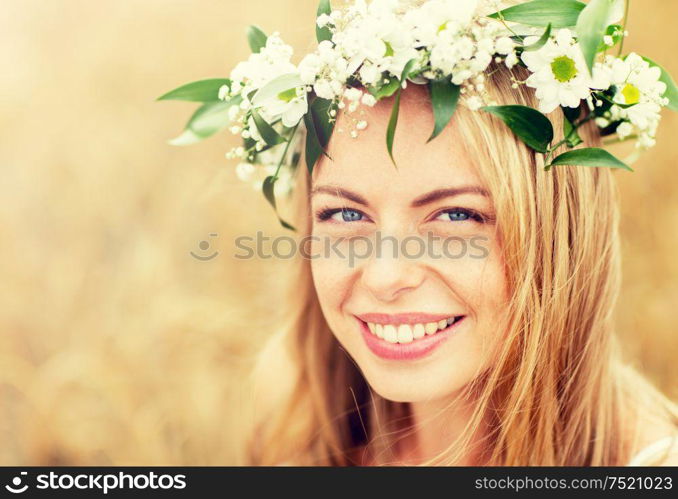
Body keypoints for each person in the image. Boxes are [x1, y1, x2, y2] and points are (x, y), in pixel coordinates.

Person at [246, 65, 678, 466]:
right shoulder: (294, 435)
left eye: (457, 215)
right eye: (346, 214)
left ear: (559, 234)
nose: (385, 276)